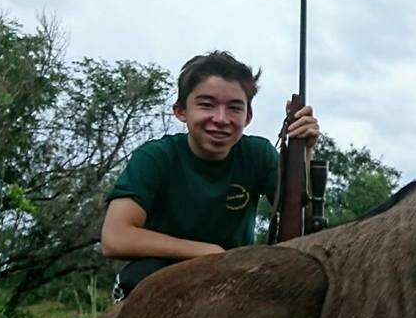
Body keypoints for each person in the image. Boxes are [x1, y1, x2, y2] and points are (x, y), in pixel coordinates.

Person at [102, 51, 320, 301]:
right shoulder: (155, 157)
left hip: (235, 278)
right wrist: (207, 253)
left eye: (234, 108)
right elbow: (115, 238)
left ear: (248, 116)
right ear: (181, 111)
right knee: (137, 278)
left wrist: (305, 151)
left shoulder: (258, 154)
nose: (220, 119)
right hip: (164, 276)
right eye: (206, 105)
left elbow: (302, 220)